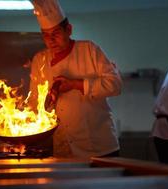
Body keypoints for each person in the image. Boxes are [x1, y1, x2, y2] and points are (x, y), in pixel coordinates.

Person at [29, 0, 122, 159]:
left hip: (99, 147)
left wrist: (75, 84)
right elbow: (34, 103)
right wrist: (48, 100)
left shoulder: (89, 49)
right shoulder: (40, 60)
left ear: (69, 30)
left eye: (56, 33)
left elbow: (115, 85)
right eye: (46, 35)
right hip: (63, 148)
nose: (51, 40)